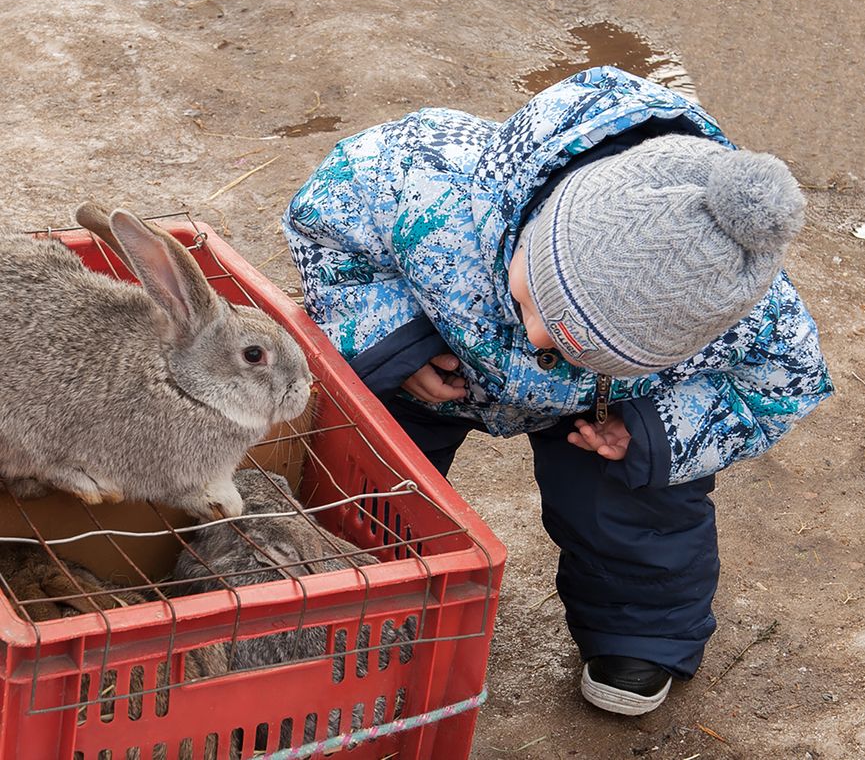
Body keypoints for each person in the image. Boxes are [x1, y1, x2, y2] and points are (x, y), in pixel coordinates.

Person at [282, 66, 833, 716]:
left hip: (600, 408)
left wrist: (656, 429)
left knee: (633, 495)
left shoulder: (750, 312)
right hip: (438, 359)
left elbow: (778, 390)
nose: (539, 336)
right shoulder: (434, 183)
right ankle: (345, 595)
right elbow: (329, 224)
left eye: (579, 343)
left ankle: (640, 630)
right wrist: (392, 339)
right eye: (536, 299)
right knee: (373, 464)